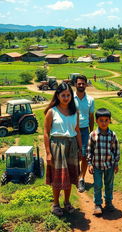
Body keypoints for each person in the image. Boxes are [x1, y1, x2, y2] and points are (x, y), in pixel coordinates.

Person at [44, 83, 82, 216]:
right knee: (57, 177)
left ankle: (67, 202)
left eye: (68, 95)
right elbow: (46, 132)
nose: (66, 98)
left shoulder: (74, 112)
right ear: (58, 96)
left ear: (71, 96)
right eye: (63, 95)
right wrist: (48, 152)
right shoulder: (52, 111)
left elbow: (77, 130)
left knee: (70, 176)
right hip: (57, 146)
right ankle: (55, 204)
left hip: (72, 145)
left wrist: (80, 147)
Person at [87, 108, 120, 215]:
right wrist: (89, 163)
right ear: (96, 121)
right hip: (97, 165)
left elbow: (116, 150)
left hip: (109, 165)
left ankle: (109, 202)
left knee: (109, 184)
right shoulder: (93, 135)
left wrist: (116, 164)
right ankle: (97, 204)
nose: (104, 123)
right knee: (97, 185)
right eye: (101, 120)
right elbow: (89, 150)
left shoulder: (112, 135)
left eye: (106, 120)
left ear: (110, 120)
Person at [74, 75, 95, 193]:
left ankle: (81, 178)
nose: (81, 85)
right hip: (72, 130)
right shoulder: (70, 98)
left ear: (86, 85)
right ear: (75, 85)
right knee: (73, 156)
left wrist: (92, 132)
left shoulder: (90, 100)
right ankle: (75, 177)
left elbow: (91, 117)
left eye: (83, 83)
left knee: (85, 156)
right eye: (79, 83)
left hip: (85, 131)